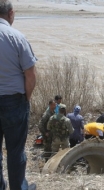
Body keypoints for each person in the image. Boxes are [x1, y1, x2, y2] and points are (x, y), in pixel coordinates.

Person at [0, 1, 37, 189]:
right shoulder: (17, 37)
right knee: (15, 151)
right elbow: (30, 75)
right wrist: (25, 99)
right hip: (14, 101)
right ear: (11, 13)